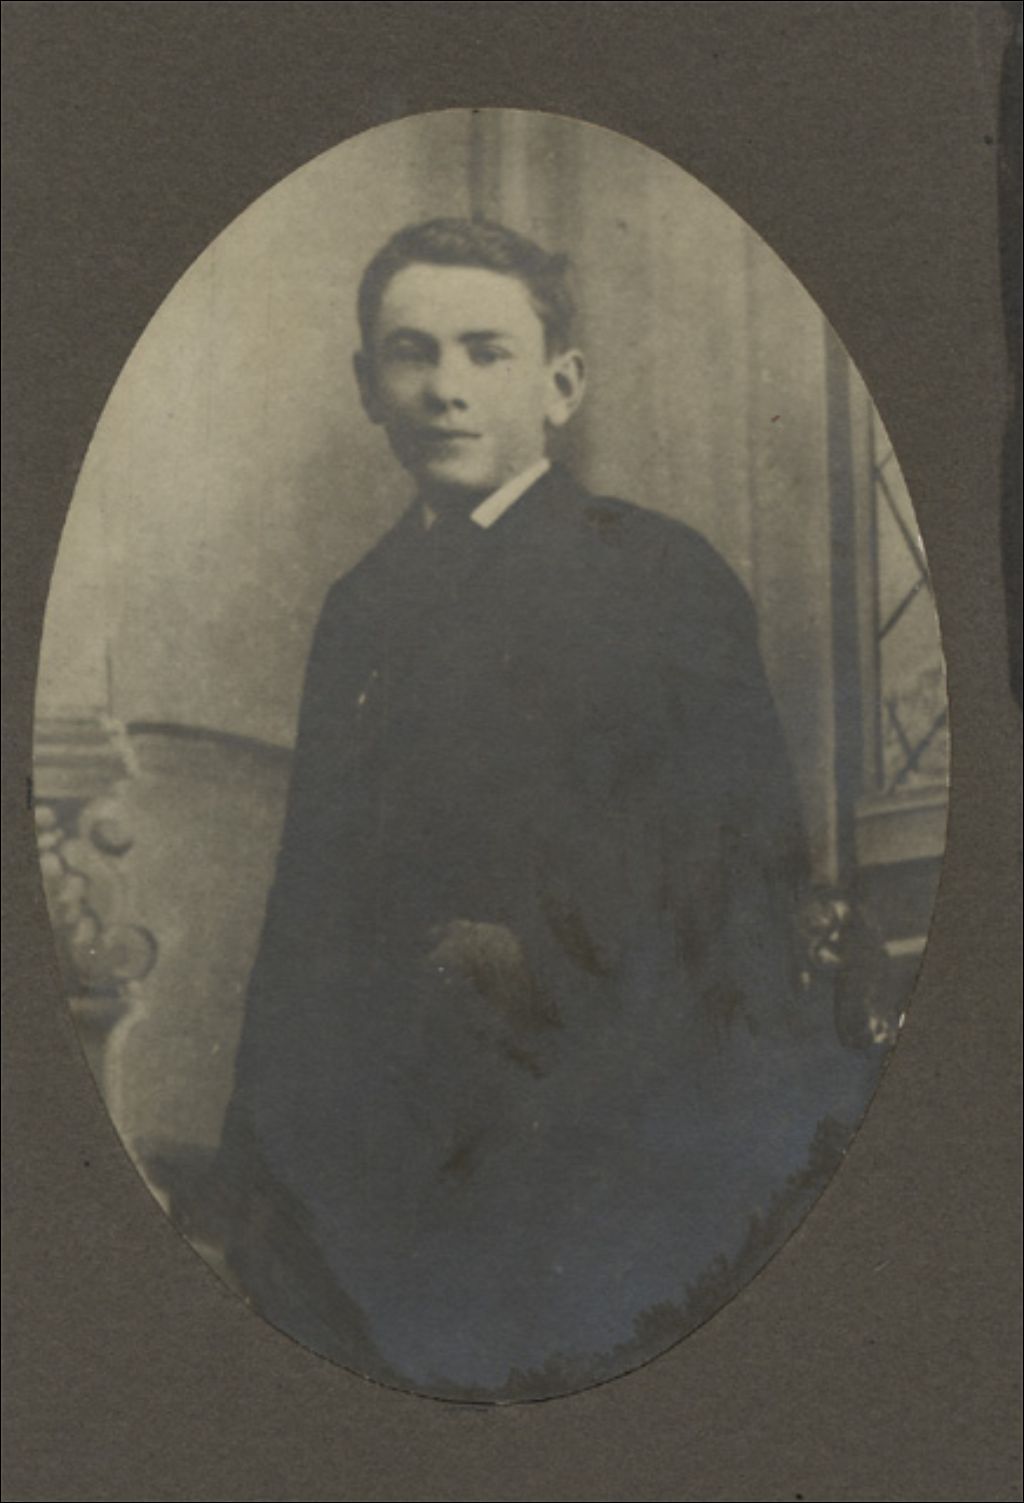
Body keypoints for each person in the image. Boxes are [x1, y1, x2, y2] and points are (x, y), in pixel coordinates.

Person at [213, 217, 882, 1401]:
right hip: (386, 1124)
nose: (445, 387)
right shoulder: (359, 606)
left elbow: (743, 876)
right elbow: (304, 899)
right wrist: (256, 1151)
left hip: (600, 1116)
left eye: (486, 351)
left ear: (561, 384)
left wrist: (536, 959)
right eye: (411, 353)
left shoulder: (657, 574)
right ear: (366, 386)